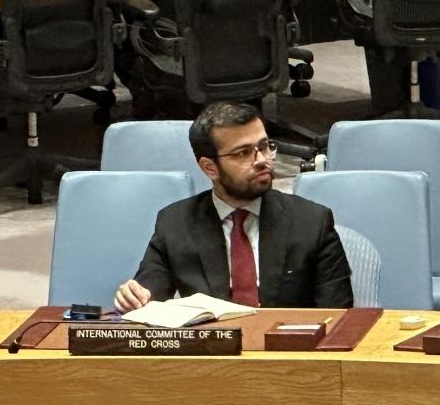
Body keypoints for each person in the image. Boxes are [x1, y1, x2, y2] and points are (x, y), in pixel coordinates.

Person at [114, 102, 353, 311]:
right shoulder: (175, 223)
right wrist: (135, 297)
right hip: (211, 347)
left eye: (264, 146)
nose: (261, 160)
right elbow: (148, 295)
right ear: (210, 168)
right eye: (243, 153)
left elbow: (338, 316)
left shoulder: (312, 222)